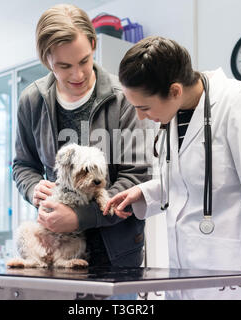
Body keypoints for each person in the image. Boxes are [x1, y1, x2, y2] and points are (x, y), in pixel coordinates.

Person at [104, 36, 241, 300]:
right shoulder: (172, 112)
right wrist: (143, 194)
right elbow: (187, 181)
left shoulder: (237, 102)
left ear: (175, 90)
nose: (141, 116)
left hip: (228, 271)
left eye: (144, 107)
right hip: (181, 272)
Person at [12, 4, 150, 271]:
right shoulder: (32, 101)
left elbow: (138, 177)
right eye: (63, 66)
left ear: (94, 44)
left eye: (84, 61)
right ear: (46, 59)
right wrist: (32, 188)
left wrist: (80, 217)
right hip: (55, 251)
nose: (77, 75)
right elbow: (22, 165)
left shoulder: (123, 98)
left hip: (118, 255)